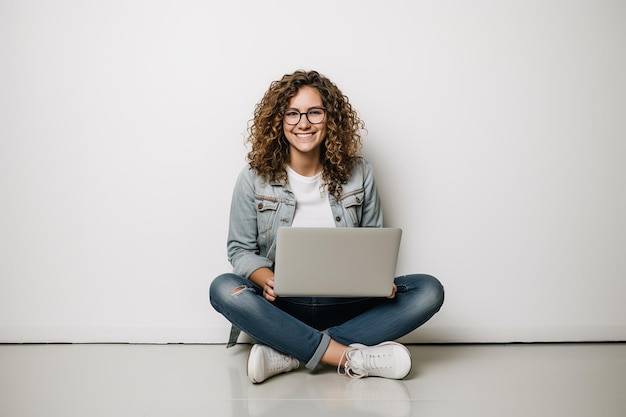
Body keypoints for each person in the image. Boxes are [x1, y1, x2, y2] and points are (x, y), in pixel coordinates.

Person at [209, 70, 444, 384]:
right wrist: (266, 279)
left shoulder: (360, 173)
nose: (303, 123)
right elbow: (239, 250)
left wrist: (378, 279)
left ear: (330, 118)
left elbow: (374, 243)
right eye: (292, 113)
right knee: (223, 288)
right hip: (282, 305)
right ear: (278, 121)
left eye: (314, 112)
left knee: (428, 290)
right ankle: (348, 356)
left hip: (346, 303)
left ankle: (289, 352)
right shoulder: (253, 177)